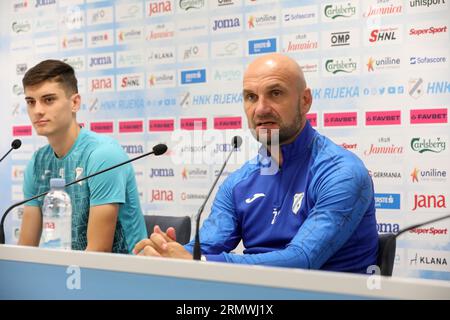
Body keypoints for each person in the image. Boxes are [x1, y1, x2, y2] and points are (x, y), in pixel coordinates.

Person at [134, 53, 378, 273]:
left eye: (275, 93)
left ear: (305, 101)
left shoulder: (341, 173)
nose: (260, 109)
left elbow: (301, 260)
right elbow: (208, 244)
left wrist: (198, 262)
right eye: (251, 97)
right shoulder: (239, 182)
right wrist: (166, 252)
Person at [18, 59, 147, 253]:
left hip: (125, 276)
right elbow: (25, 252)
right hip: (67, 274)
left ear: (75, 103)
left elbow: (97, 254)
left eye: (48, 100)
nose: (37, 110)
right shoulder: (37, 163)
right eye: (31, 102)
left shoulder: (103, 155)